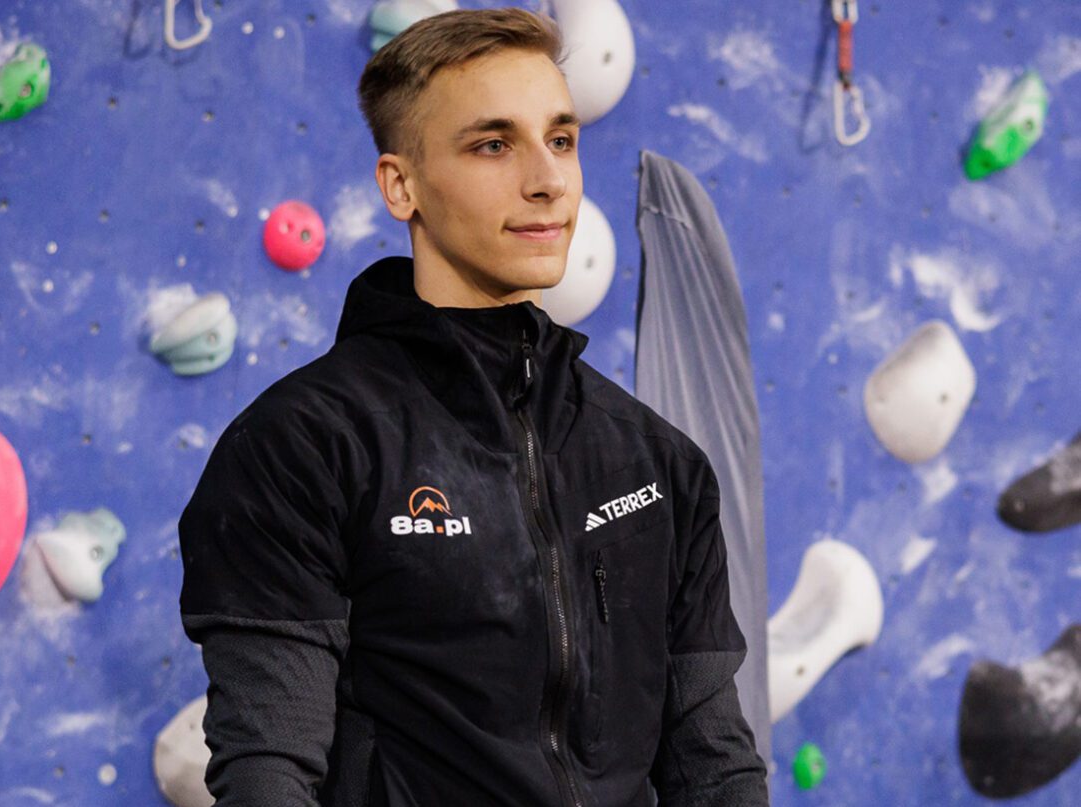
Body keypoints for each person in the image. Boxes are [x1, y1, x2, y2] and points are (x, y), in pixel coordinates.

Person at [178, 7, 769, 806]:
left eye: (561, 139)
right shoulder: (301, 446)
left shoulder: (655, 461)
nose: (547, 180)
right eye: (494, 144)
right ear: (401, 185)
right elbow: (268, 774)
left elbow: (717, 768)